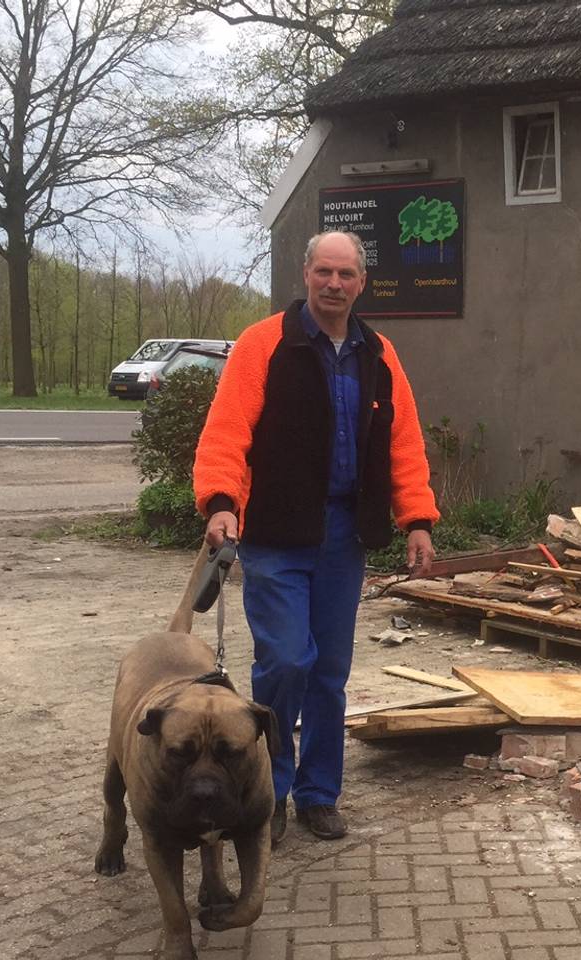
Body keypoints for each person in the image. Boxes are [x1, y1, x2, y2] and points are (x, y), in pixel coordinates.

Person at [194, 230, 438, 845]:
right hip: (276, 535)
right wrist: (222, 503)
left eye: (346, 275)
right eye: (323, 272)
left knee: (329, 671)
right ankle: (265, 793)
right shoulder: (263, 345)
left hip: (343, 536)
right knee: (285, 661)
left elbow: (403, 445)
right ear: (306, 275)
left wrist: (417, 520)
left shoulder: (379, 354)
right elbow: (226, 432)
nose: (334, 284)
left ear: (362, 282)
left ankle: (319, 793)